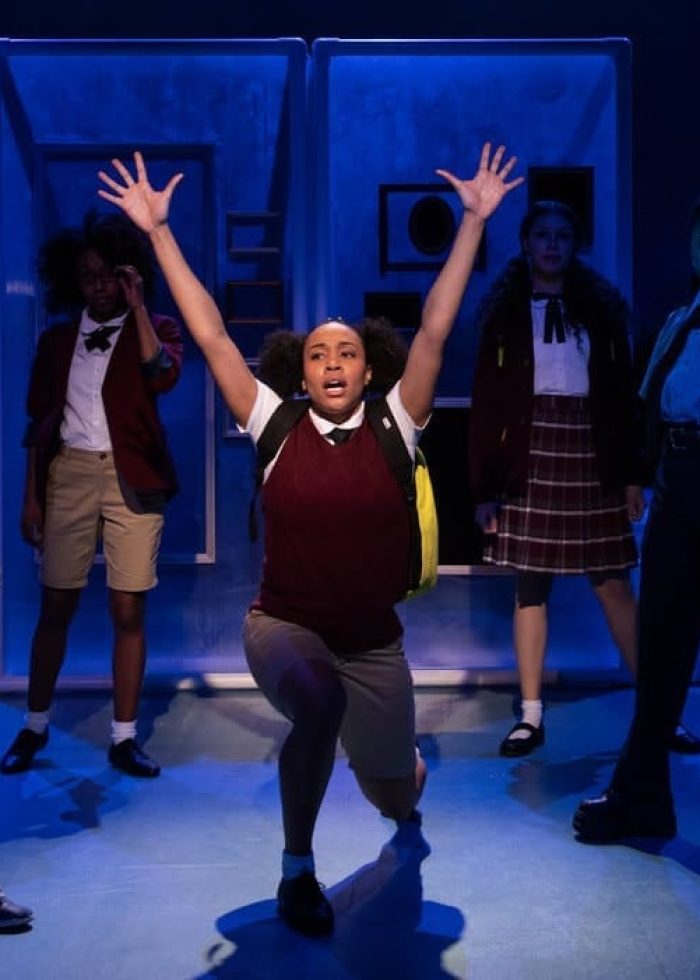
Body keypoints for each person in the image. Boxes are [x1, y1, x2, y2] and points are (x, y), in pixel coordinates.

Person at [96, 143, 523, 936]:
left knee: (394, 796)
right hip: (284, 627)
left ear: (369, 371)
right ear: (301, 372)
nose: (332, 362)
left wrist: (471, 222)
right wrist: (158, 233)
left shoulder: (397, 421)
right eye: (318, 354)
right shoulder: (274, 422)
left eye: (347, 353)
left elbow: (435, 329)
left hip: (374, 643)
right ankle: (298, 871)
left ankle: (403, 775)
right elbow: (212, 335)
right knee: (318, 705)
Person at [0, 212, 182, 779]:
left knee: (128, 607)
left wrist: (139, 307)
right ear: (72, 281)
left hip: (133, 476)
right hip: (70, 474)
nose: (98, 285)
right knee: (56, 604)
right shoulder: (57, 341)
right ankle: (34, 725)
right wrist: (31, 498)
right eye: (88, 276)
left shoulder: (155, 327)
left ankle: (124, 738)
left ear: (128, 274)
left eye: (108, 274)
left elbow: (161, 375)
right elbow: (38, 423)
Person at [470, 200, 654, 758]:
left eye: (562, 236)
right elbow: (487, 405)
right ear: (527, 244)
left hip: (592, 450)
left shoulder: (599, 311)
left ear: (574, 246)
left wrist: (632, 476)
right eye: (542, 235)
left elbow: (623, 399)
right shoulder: (506, 314)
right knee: (530, 584)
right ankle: (530, 714)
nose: (552, 245)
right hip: (531, 449)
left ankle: (657, 709)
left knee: (613, 582)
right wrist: (484, 489)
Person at [573, 198, 700, 841]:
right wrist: (643, 475)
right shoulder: (682, 318)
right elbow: (649, 403)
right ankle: (642, 794)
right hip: (682, 477)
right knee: (664, 641)